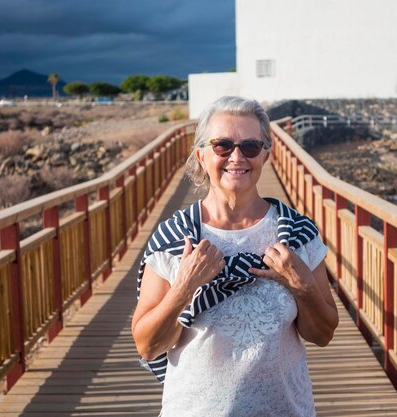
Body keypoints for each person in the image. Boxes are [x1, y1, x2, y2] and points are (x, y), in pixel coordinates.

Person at [131, 96, 339, 417]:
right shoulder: (175, 239)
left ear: (266, 154)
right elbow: (148, 345)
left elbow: (322, 334)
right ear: (201, 155)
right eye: (222, 146)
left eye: (251, 147)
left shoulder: (297, 233)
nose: (237, 157)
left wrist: (302, 285)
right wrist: (184, 286)